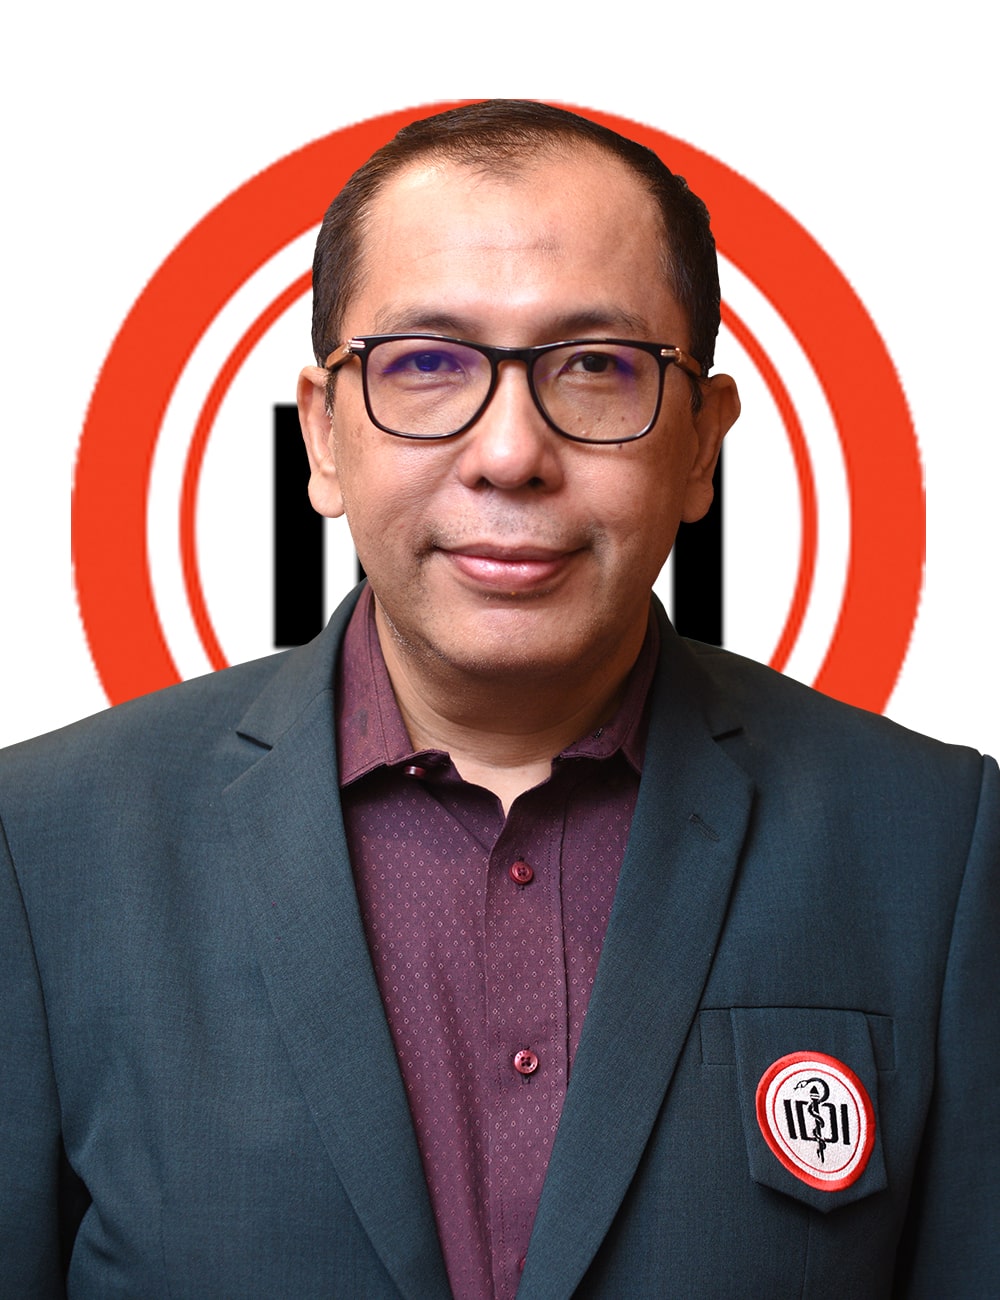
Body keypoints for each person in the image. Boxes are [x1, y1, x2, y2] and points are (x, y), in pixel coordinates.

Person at [1, 101, 996, 1299]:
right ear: (323, 435)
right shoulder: (44, 846)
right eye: (426, 364)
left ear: (700, 443)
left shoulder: (933, 844)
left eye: (596, 367)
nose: (510, 453)